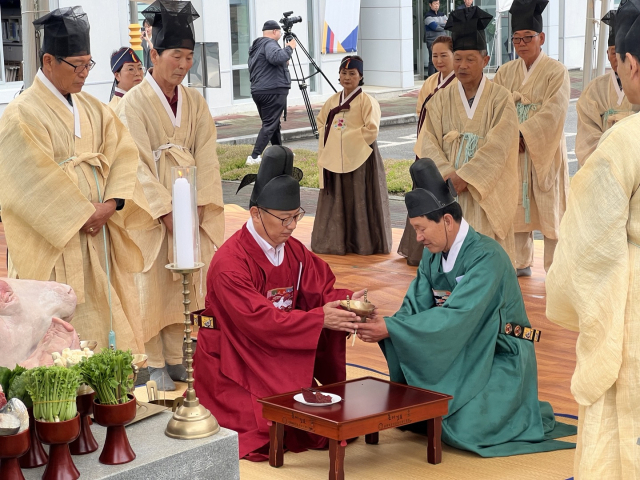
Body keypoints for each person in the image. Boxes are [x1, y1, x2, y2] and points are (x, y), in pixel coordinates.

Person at [358, 158, 577, 456]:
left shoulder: (488, 256)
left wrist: (393, 329)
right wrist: (384, 326)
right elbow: (413, 307)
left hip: (500, 350)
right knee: (425, 417)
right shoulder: (433, 255)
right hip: (463, 346)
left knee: (460, 428)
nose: (418, 238)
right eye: (414, 230)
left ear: (447, 220)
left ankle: (516, 405)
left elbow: (458, 316)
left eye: (422, 229)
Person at [193, 145, 366, 460]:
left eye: (296, 216)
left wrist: (347, 305)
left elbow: (320, 290)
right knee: (260, 431)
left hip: (278, 351)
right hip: (235, 356)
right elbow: (259, 321)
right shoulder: (230, 263)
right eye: (284, 218)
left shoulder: (295, 252)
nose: (292, 226)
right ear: (256, 213)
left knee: (313, 422)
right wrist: (319, 320)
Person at [0, 6, 154, 354]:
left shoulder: (94, 108)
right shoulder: (20, 114)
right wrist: (83, 214)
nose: (85, 73)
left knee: (103, 327)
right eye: (77, 65)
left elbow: (124, 153)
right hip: (55, 243)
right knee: (52, 342)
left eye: (89, 64)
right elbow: (27, 180)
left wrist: (112, 204)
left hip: (97, 237)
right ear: (49, 61)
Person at [546, 1, 640, 477]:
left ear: (631, 64)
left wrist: (572, 301)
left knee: (622, 414)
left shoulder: (626, 140)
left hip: (633, 298)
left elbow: (587, 249)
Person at [116, 0, 225, 391]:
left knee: (188, 276)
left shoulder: (195, 102)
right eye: (176, 55)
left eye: (189, 57)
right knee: (153, 279)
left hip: (191, 197)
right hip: (152, 208)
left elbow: (207, 154)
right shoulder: (133, 103)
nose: (182, 64)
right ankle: (154, 360)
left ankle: (180, 354)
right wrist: (165, 210)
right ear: (155, 54)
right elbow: (134, 163)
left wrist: (195, 207)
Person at [417, 7, 519, 262]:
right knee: (452, 258)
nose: (462, 65)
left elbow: (500, 146)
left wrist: (467, 177)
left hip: (485, 192)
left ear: (485, 61)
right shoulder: (441, 99)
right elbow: (427, 141)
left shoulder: (501, 99)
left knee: (486, 259)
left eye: (470, 59)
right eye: (458, 58)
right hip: (450, 191)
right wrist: (447, 175)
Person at [493, 0, 570, 277]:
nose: (522, 43)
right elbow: (495, 108)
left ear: (541, 38)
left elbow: (554, 111)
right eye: (516, 38)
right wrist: (512, 136)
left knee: (550, 207)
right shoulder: (504, 72)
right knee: (516, 207)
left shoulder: (556, 71)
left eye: (528, 38)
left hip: (545, 150)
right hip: (514, 150)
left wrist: (525, 133)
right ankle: (519, 262)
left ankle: (556, 269)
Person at [311, 55, 392, 256]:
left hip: (360, 158)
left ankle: (361, 243)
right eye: (344, 73)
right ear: (339, 76)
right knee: (336, 198)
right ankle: (335, 242)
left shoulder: (368, 101)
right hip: (334, 156)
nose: (347, 78)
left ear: (360, 76)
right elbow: (321, 124)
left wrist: (347, 139)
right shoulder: (332, 101)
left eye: (352, 74)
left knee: (359, 198)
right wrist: (334, 138)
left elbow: (371, 130)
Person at [399, 35, 455, 266]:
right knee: (424, 196)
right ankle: (421, 251)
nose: (439, 60)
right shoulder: (430, 82)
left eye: (444, 55)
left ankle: (447, 250)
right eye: (435, 55)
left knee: (444, 200)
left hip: (446, 149)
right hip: (425, 145)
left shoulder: (457, 83)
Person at [576, 9, 639, 167]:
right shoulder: (595, 89)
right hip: (603, 166)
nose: (617, 59)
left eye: (619, 54)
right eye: (612, 53)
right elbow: (587, 135)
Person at [245, 20, 296, 166]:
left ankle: (279, 151)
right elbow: (276, 58)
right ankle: (254, 157)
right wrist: (289, 48)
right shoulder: (270, 44)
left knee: (272, 123)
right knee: (269, 124)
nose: (280, 34)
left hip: (259, 90)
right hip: (273, 90)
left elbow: (270, 62)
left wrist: (283, 59)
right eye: (279, 32)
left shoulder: (257, 47)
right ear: (274, 32)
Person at [424, 0, 448, 77]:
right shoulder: (428, 16)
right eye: (435, 4)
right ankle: (431, 78)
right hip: (432, 41)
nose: (437, 5)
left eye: (438, 3)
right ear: (430, 5)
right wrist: (443, 24)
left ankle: (441, 77)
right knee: (433, 59)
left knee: (442, 59)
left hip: (442, 40)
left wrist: (440, 24)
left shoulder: (442, 14)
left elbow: (448, 25)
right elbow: (435, 27)